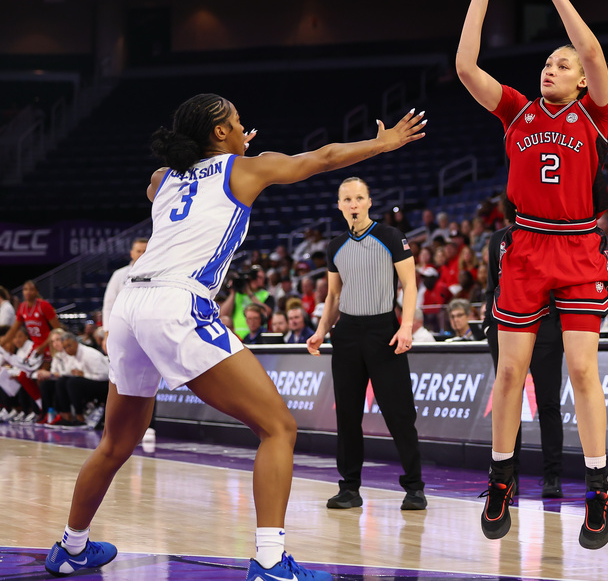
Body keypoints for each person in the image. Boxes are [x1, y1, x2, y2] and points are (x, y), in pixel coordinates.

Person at [42, 93, 424, 580]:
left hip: (130, 306)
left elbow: (156, 182)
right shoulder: (245, 170)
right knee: (279, 428)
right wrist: (381, 143)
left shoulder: (165, 179)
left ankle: (72, 547)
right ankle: (269, 562)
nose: (245, 128)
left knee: (115, 444)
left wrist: (227, 150)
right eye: (237, 122)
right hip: (176, 302)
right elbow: (322, 158)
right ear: (220, 133)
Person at [456, 0, 608, 548]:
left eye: (562, 65)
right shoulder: (517, 110)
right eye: (548, 62)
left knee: (580, 368)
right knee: (510, 371)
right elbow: (467, 67)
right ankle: (501, 480)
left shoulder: (595, 114)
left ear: (580, 82)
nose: (552, 68)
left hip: (577, 248)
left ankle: (598, 489)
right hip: (524, 246)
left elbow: (593, 50)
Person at [306, 178, 426, 513]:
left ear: (369, 202)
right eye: (347, 199)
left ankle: (414, 487)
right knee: (346, 415)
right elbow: (332, 296)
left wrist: (405, 327)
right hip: (346, 334)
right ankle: (349, 488)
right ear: (340, 205)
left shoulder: (390, 237)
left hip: (383, 330)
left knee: (399, 413)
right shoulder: (335, 245)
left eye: (359, 198)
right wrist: (320, 330)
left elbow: (409, 284)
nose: (354, 204)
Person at [484, 225, 565, 498]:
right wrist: (489, 325)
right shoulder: (499, 238)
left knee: (549, 403)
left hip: (547, 327)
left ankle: (552, 476)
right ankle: (508, 476)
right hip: (507, 327)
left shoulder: (553, 233)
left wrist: (558, 326)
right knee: (509, 403)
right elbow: (491, 285)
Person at [101, 237, 148, 330]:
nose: (142, 255)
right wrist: (107, 330)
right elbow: (109, 304)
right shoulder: (119, 274)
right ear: (132, 253)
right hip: (123, 325)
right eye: (138, 251)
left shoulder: (158, 275)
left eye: (145, 251)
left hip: (147, 325)